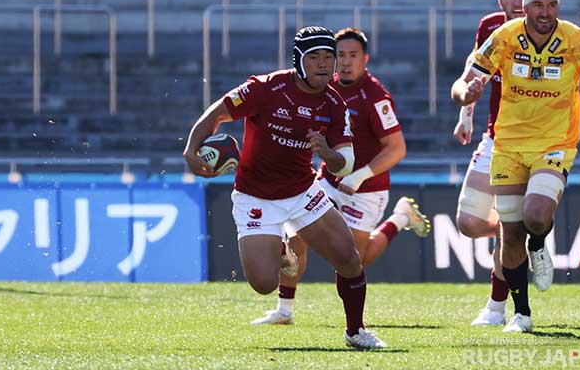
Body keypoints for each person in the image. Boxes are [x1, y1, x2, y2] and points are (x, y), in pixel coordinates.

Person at [452, 0, 580, 333]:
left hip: (554, 145)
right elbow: (463, 81)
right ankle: (520, 314)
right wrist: (467, 95)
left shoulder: (576, 40)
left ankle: (538, 244)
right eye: (537, 4)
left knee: (536, 216)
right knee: (508, 237)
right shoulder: (504, 37)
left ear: (559, 6)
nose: (544, 12)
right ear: (524, 6)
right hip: (506, 146)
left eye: (551, 4)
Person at [183, 26, 387, 349]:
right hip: (255, 196)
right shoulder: (265, 88)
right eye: (315, 57)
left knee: (349, 259)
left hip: (302, 192)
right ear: (298, 61)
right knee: (263, 284)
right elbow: (218, 114)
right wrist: (191, 149)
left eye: (328, 58)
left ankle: (355, 331)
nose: (324, 64)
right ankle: (281, 249)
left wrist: (326, 153)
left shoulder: (334, 103)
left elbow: (345, 163)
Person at [251, 27, 431, 326]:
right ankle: (284, 310)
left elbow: (397, 149)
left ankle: (400, 217)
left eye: (353, 55)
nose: (345, 62)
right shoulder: (324, 87)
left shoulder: (375, 97)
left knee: (356, 259)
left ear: (365, 59)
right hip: (328, 180)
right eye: (340, 56)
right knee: (297, 235)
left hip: (366, 188)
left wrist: (359, 175)